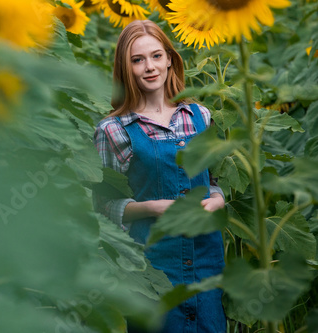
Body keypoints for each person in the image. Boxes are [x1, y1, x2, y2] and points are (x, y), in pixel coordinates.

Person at [93, 20, 227, 332]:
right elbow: (101, 205)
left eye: (156, 56)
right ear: (125, 68)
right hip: (152, 268)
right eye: (137, 60)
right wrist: (153, 208)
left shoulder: (200, 117)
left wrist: (216, 201)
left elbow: (215, 182)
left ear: (169, 58)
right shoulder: (113, 130)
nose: (149, 67)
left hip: (206, 262)